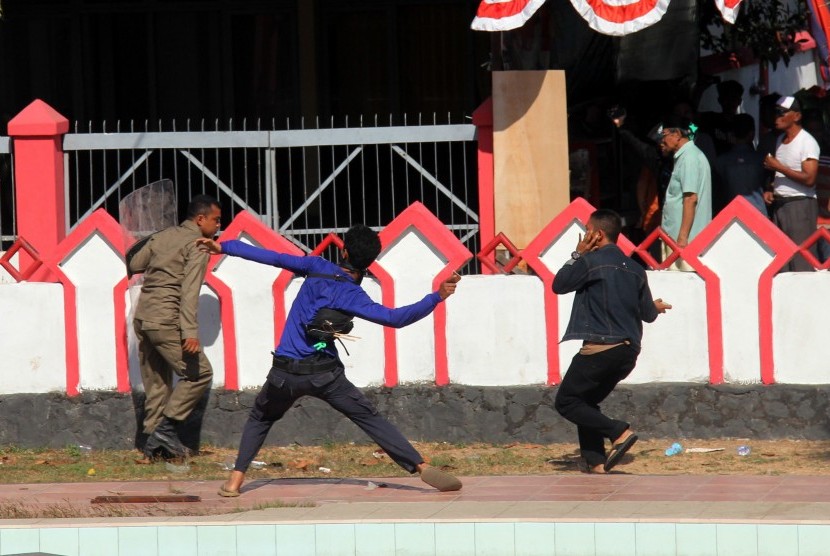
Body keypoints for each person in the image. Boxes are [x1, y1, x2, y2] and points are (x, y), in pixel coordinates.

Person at [197, 224, 463, 496]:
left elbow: (273, 257)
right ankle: (420, 466)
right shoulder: (353, 294)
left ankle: (235, 481)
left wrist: (224, 247)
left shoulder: (316, 266)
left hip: (284, 373)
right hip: (326, 376)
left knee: (260, 418)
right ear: (370, 261)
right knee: (368, 417)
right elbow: (395, 319)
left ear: (343, 250)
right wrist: (437, 296)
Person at [552, 209, 671, 473]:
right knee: (586, 403)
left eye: (586, 229)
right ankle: (595, 463)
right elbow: (648, 315)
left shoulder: (590, 262)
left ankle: (618, 431)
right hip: (628, 352)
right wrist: (656, 306)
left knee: (567, 402)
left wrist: (578, 253)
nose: (584, 235)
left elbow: (559, 284)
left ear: (597, 234)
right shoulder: (637, 269)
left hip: (601, 348)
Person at [128, 195, 222, 459]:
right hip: (166, 319)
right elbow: (190, 291)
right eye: (216, 220)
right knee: (200, 374)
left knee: (157, 384)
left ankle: (151, 447)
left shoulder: (162, 236)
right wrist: (190, 332)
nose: (218, 227)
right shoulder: (199, 245)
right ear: (200, 219)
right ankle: (166, 431)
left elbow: (134, 263)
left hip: (143, 317)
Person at [763, 96, 821, 272]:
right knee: (782, 258)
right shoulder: (780, 139)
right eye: (775, 112)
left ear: (796, 116)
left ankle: (807, 298)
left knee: (801, 260)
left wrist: (778, 166)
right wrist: (770, 188)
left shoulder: (807, 142)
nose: (776, 117)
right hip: (781, 203)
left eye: (781, 113)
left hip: (800, 204)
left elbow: (809, 179)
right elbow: (781, 174)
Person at [659, 114, 713, 271]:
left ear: (676, 135)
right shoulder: (685, 157)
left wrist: (682, 237)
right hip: (677, 238)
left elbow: (690, 198)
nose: (662, 141)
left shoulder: (689, 158)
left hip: (684, 240)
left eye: (664, 135)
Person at [712, 114, 767, 215]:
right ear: (752, 134)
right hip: (757, 212)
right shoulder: (762, 160)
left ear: (732, 134)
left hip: (732, 213)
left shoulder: (720, 161)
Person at [699, 79, 745, 156]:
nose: (730, 102)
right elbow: (691, 119)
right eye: (727, 98)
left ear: (739, 101)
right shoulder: (710, 119)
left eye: (733, 98)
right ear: (720, 100)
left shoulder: (744, 124)